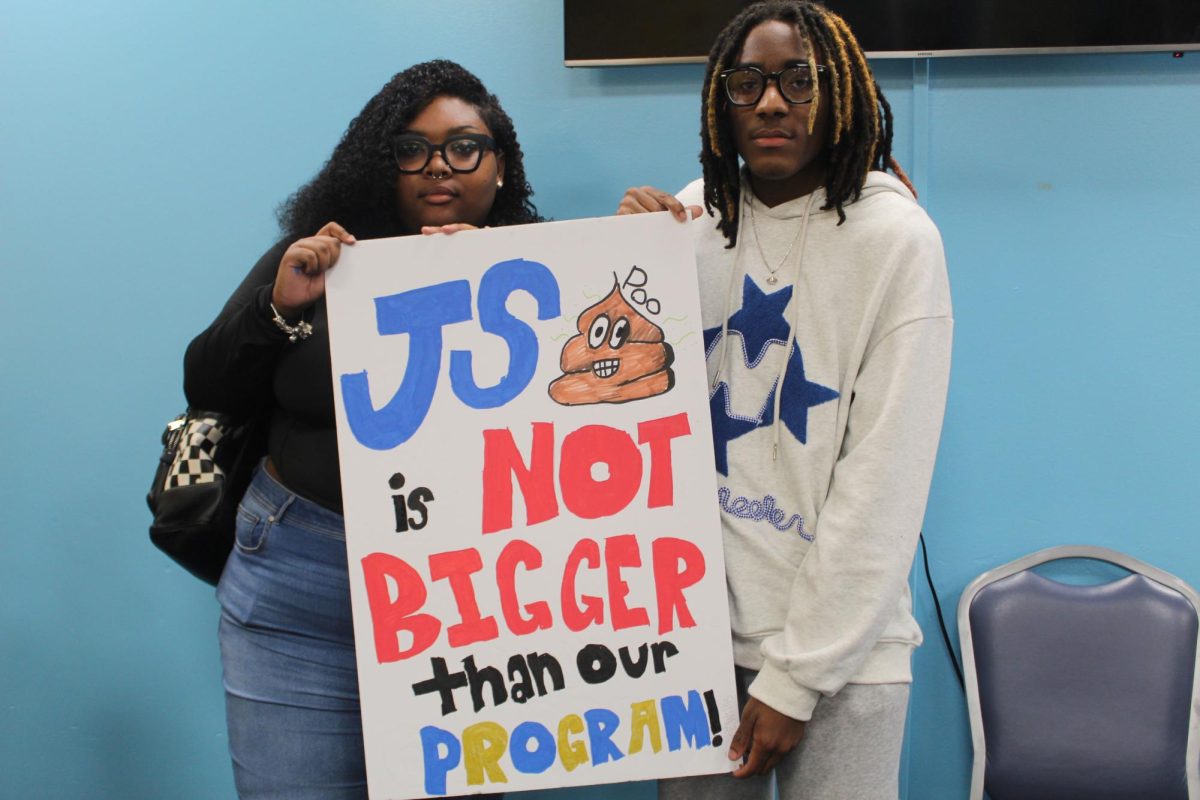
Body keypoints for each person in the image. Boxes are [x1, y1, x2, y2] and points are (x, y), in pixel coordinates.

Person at [618, 2, 952, 798]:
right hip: (693, 648)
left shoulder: (898, 242)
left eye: (800, 81)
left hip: (845, 660)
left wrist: (795, 679)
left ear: (841, 94)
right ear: (720, 105)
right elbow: (617, 423)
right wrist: (618, 260)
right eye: (748, 83)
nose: (772, 102)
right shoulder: (688, 221)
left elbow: (886, 479)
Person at [183, 59, 534, 799]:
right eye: (412, 149)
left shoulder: (543, 273)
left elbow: (609, 398)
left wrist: (648, 249)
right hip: (301, 589)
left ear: (501, 164)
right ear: (383, 165)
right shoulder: (323, 259)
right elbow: (207, 383)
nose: (439, 166)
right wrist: (281, 303)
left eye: (465, 146)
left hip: (470, 604)